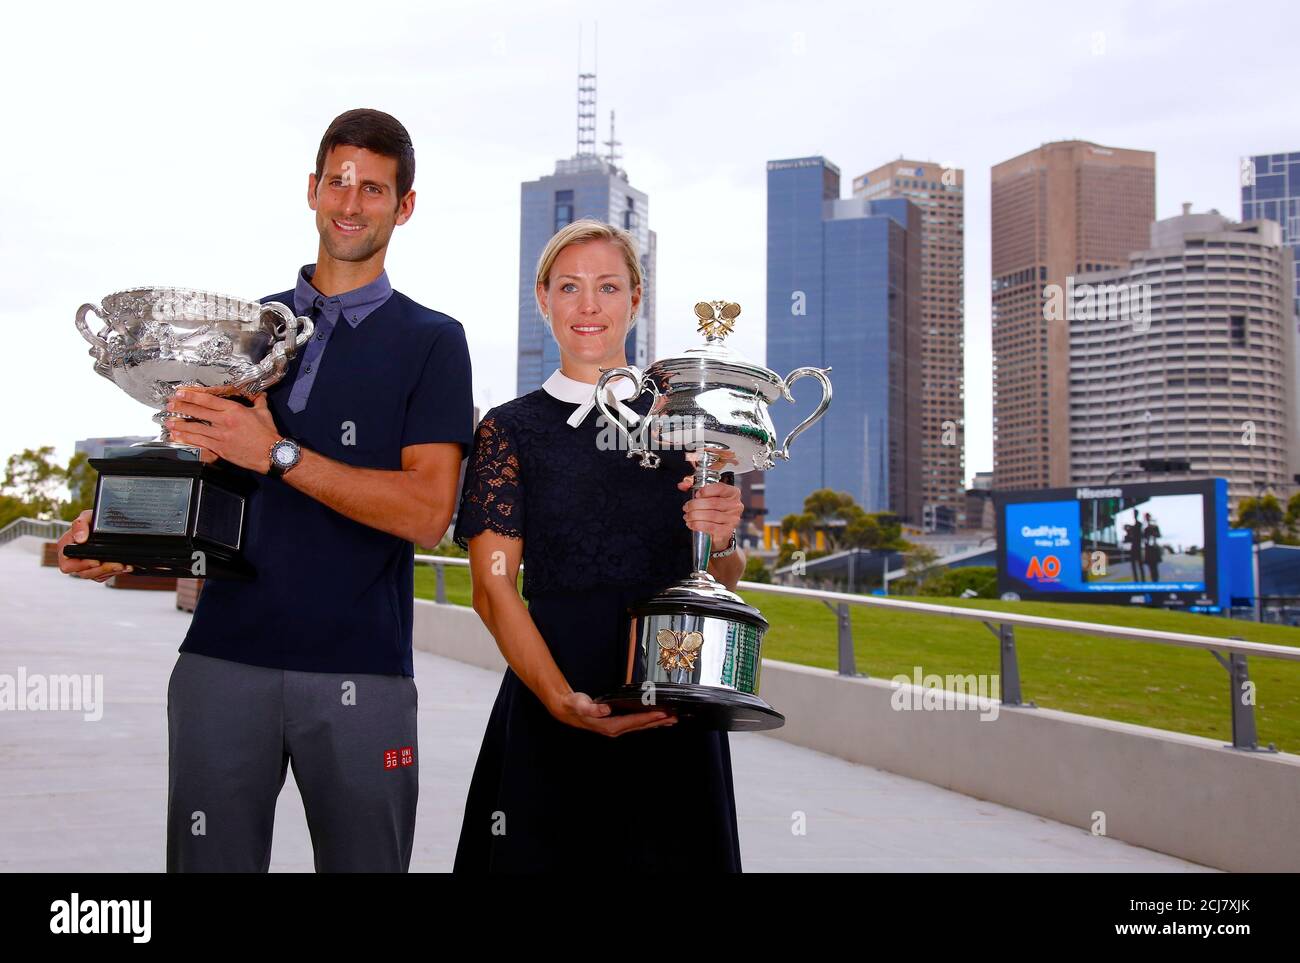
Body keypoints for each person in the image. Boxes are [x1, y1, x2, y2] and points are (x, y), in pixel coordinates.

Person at [55, 108, 474, 872]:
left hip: (362, 674)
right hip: (222, 660)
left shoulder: (433, 341)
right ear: (312, 190)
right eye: (338, 182)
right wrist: (113, 537)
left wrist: (279, 452)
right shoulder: (243, 329)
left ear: (403, 206)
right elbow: (204, 479)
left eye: (374, 189)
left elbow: (427, 512)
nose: (351, 204)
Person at [452, 218, 746, 872]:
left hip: (672, 706)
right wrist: (561, 700)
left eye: (608, 287)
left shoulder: (688, 428)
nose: (589, 305)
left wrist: (723, 538)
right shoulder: (511, 430)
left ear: (636, 299)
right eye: (570, 287)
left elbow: (720, 578)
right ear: (543, 298)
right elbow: (492, 584)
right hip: (551, 700)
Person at [1143, 512, 1164, 582]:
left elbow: (1159, 535)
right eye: (1146, 517)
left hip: (1154, 548)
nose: (1147, 519)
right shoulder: (1145, 528)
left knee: (1155, 567)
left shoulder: (1155, 527)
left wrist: (1153, 533)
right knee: (1151, 567)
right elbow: (1143, 538)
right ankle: (1154, 580)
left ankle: (1156, 581)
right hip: (1148, 549)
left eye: (1148, 517)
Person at [1125, 510, 1145, 581]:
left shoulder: (1139, 524)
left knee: (1139, 565)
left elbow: (1138, 535)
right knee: (1135, 565)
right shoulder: (1135, 526)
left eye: (1135, 514)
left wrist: (1129, 529)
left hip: (1137, 547)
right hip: (1134, 547)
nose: (1134, 515)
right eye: (1133, 514)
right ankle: (1137, 580)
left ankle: (1142, 580)